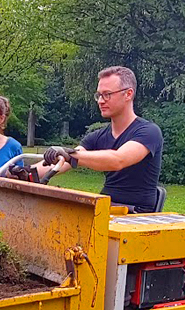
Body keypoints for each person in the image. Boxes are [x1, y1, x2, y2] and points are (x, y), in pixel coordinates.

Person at [43, 66, 163, 213]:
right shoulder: (97, 136)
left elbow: (118, 160)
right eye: (99, 95)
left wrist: (69, 155)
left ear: (128, 94)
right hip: (105, 209)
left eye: (107, 94)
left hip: (137, 216)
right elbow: (66, 160)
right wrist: (23, 173)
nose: (100, 101)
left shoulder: (149, 131)